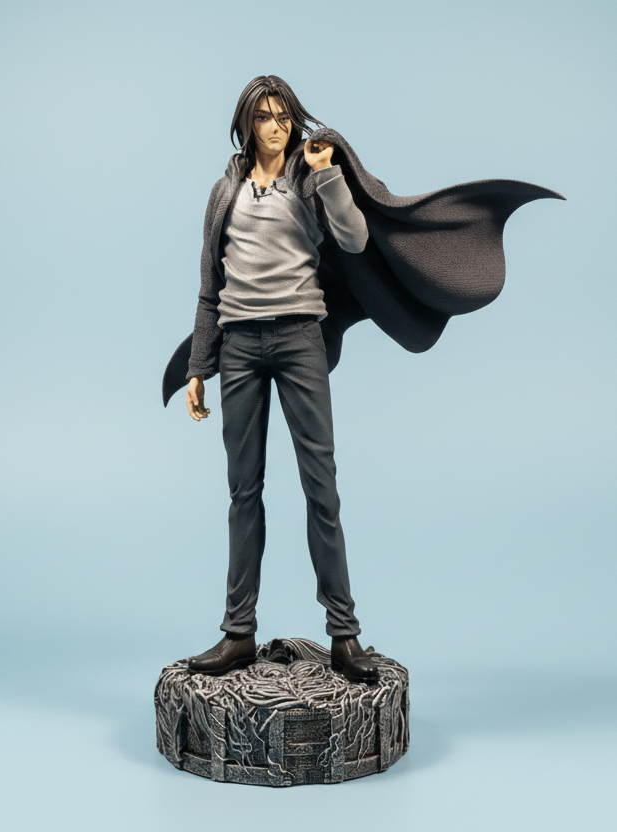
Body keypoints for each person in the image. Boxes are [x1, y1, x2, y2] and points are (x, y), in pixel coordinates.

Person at [184, 75, 379, 683]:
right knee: (243, 491)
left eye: (284, 115)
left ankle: (344, 635)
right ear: (247, 124)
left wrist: (328, 174)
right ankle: (238, 633)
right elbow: (210, 286)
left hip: (299, 339)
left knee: (321, 487)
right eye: (265, 116)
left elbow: (355, 239)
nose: (277, 126)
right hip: (239, 347)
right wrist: (199, 366)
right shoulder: (225, 190)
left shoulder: (308, 179)